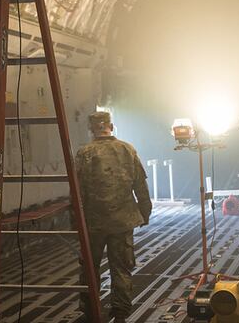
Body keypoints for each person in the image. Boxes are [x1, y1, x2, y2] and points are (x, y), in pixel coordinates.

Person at [75, 111, 152, 323]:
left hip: (92, 224)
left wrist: (76, 223)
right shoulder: (127, 149)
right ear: (112, 125)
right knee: (121, 269)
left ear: (91, 129)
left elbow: (77, 191)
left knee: (90, 269)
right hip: (122, 222)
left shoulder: (85, 153)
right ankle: (120, 315)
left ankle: (91, 312)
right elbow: (140, 186)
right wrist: (145, 213)